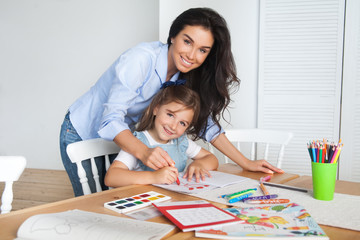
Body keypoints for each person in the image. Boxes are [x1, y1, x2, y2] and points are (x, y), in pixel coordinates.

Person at [60, 7, 283, 197]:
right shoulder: (140, 59)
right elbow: (110, 121)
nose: (192, 55)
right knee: (96, 202)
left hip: (125, 137)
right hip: (83, 130)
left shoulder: (186, 77)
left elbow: (207, 125)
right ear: (173, 36)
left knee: (120, 196)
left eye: (202, 50)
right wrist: (145, 152)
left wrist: (246, 163)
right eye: (187, 42)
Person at [104, 85, 218, 187]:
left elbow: (212, 159)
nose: (173, 126)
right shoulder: (138, 142)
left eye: (182, 123)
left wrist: (199, 164)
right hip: (144, 203)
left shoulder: (182, 142)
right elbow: (111, 177)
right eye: (170, 115)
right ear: (156, 109)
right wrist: (154, 177)